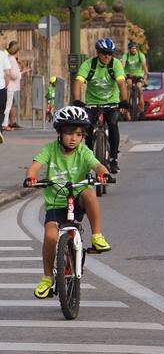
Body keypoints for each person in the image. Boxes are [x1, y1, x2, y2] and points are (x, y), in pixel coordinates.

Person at [24, 106, 113, 299]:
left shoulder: (83, 151)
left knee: (89, 192)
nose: (74, 138)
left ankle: (97, 236)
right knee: (49, 236)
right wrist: (31, 177)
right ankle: (47, 278)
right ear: (59, 133)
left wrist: (103, 172)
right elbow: (35, 166)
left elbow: (96, 164)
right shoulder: (50, 149)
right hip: (56, 204)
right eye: (69, 133)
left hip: (77, 200)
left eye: (79, 134)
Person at [73, 37, 129, 172]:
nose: (107, 56)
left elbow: (121, 83)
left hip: (112, 102)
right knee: (87, 127)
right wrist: (77, 101)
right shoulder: (89, 65)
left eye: (110, 53)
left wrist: (124, 101)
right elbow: (78, 83)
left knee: (113, 124)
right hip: (92, 102)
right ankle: (90, 155)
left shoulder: (115, 64)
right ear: (98, 52)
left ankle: (113, 158)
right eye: (104, 53)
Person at [121, 40, 148, 117]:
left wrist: (145, 78)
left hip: (139, 74)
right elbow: (122, 65)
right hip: (129, 74)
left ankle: (140, 104)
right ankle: (128, 102)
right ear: (129, 49)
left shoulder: (141, 55)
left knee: (139, 87)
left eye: (134, 48)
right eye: (132, 49)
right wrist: (121, 74)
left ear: (136, 49)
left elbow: (144, 67)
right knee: (129, 84)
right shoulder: (126, 55)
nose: (133, 50)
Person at [3, 40, 23, 129]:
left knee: (6, 105)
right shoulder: (12, 59)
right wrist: (20, 73)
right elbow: (14, 75)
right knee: (7, 106)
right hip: (10, 86)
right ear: (17, 51)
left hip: (6, 85)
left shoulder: (6, 57)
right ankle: (4, 124)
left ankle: (4, 123)